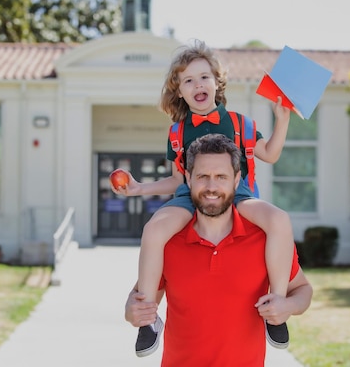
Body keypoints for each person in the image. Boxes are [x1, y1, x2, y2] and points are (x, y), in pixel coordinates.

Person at [112, 40, 297, 357]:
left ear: (217, 83)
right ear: (179, 92)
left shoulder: (241, 123)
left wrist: (282, 120)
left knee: (279, 220)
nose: (197, 84)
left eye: (204, 77)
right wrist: (139, 188)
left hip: (239, 194)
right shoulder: (176, 132)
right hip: (188, 195)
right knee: (154, 230)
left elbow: (269, 154)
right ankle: (148, 320)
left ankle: (275, 306)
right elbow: (175, 178)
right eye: (188, 80)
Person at [124, 134, 313, 366]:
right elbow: (139, 298)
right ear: (188, 179)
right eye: (203, 176)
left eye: (221, 177)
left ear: (236, 180)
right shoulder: (168, 242)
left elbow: (303, 290)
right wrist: (132, 311)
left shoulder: (265, 239)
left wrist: (288, 306)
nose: (211, 187)